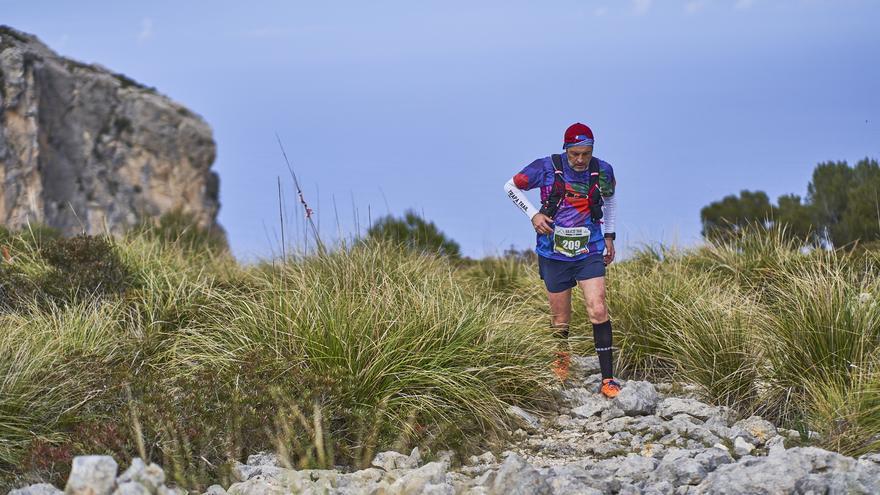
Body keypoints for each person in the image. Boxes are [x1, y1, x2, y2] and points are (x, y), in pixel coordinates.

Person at [503, 122, 621, 398]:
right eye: (575, 154)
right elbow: (510, 186)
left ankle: (608, 379)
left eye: (586, 153)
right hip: (553, 252)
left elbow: (611, 200)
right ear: (565, 149)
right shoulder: (545, 167)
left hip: (588, 250)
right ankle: (561, 365)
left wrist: (609, 235)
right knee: (560, 319)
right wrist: (533, 214)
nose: (580, 160)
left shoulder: (603, 170)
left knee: (598, 308)